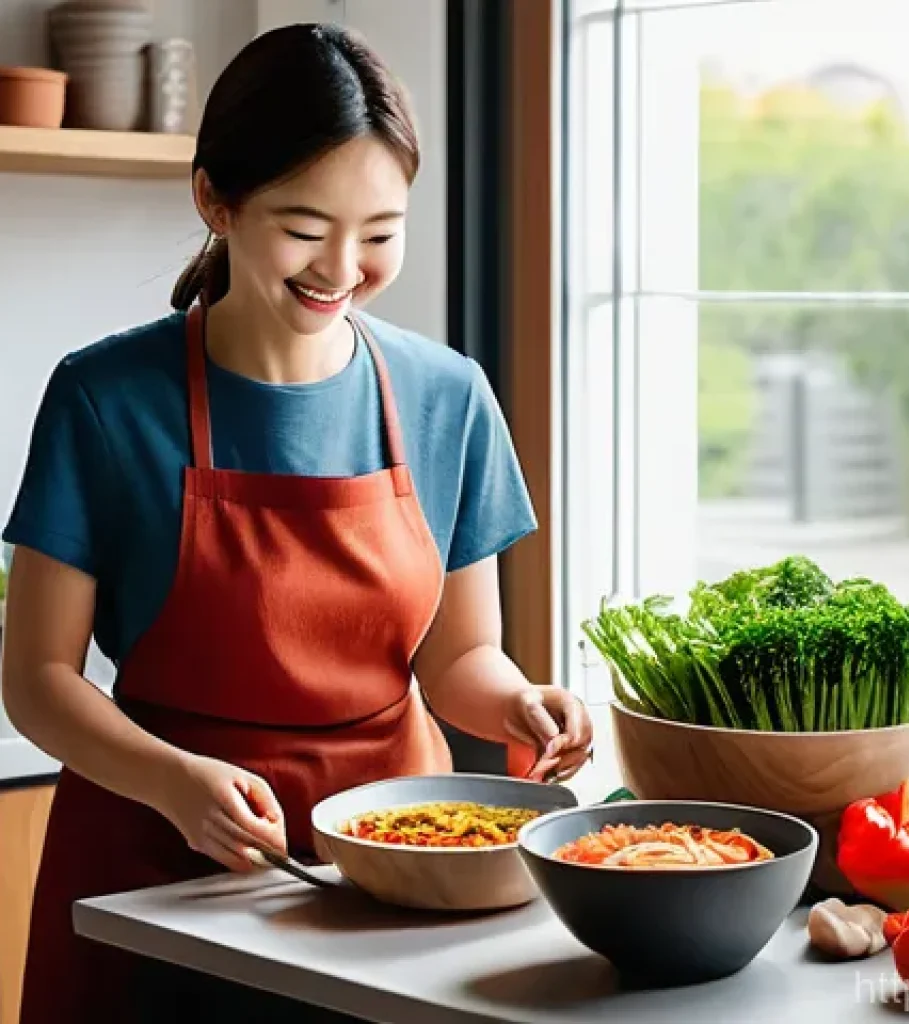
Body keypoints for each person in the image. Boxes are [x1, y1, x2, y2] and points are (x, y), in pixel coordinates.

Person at [2, 24, 593, 1022]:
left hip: (400, 871)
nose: (343, 266)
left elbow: (460, 658)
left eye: (379, 230)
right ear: (215, 201)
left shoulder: (448, 396)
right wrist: (174, 781)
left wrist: (519, 704)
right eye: (305, 225)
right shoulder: (103, 396)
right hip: (156, 856)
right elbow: (38, 681)